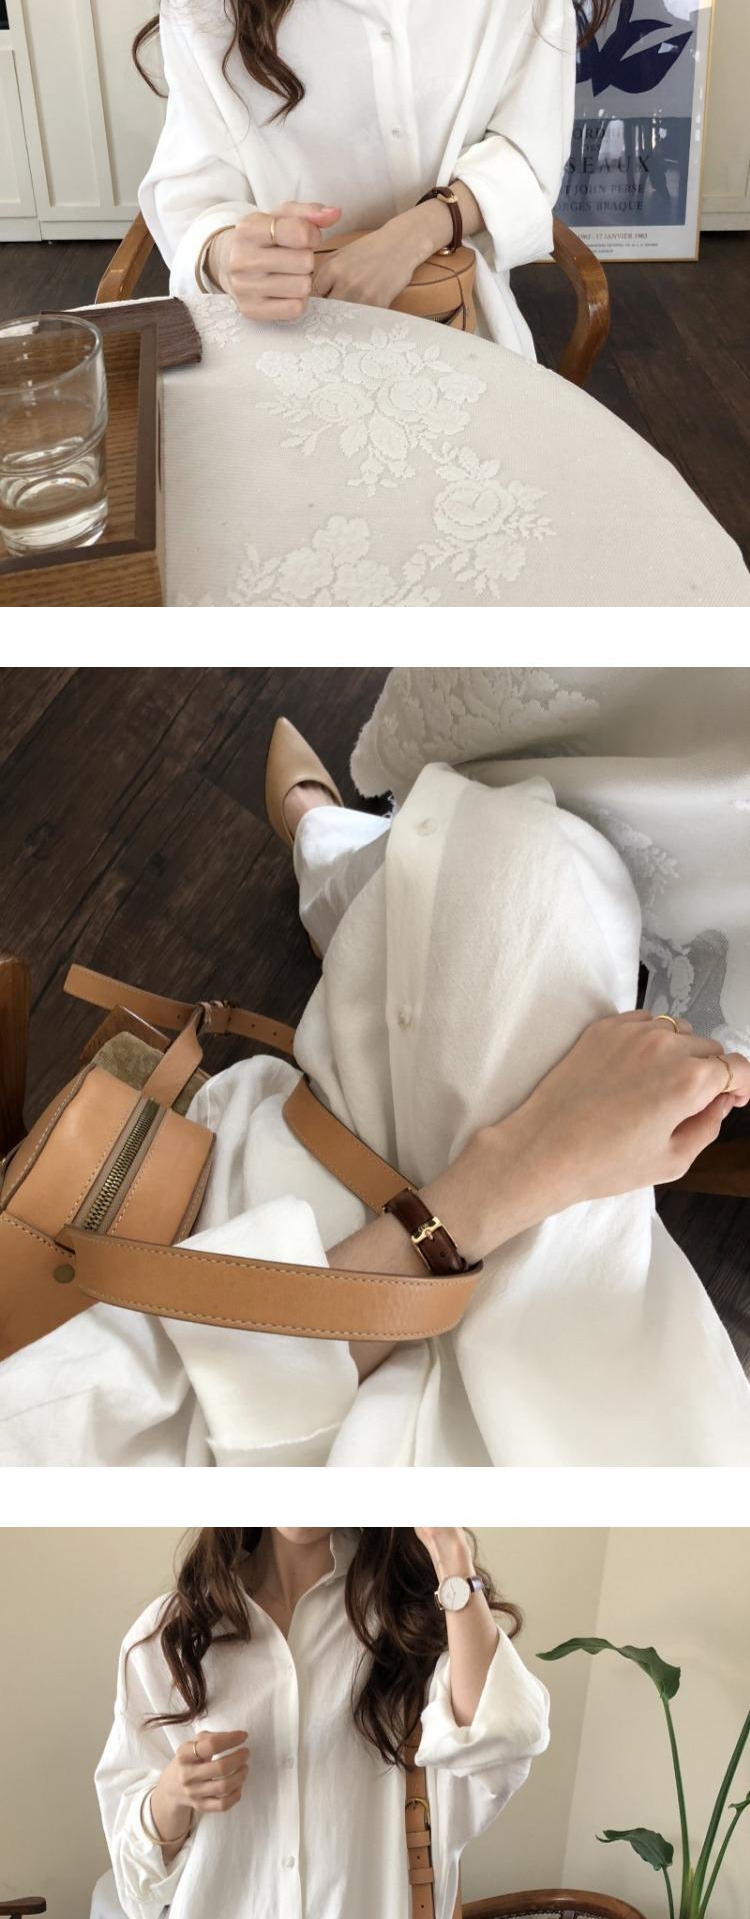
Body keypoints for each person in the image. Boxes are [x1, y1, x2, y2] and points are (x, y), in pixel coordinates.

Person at [4, 707, 749, 1470]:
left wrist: (523, 1167)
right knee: (534, 863)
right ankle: (344, 879)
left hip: (277, 1291)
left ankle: (338, 877)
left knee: (521, 857)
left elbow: (134, 1407)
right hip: (545, 1348)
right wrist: (535, 1164)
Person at [136, 0, 604, 354]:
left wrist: (419, 232)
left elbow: (531, 146)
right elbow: (193, 189)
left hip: (459, 329)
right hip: (281, 342)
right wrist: (227, 254)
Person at [94, 1522, 549, 1919]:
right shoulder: (172, 1635)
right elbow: (137, 1887)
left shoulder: (413, 1620)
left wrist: (449, 1550)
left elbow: (501, 1747)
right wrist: (172, 1796)